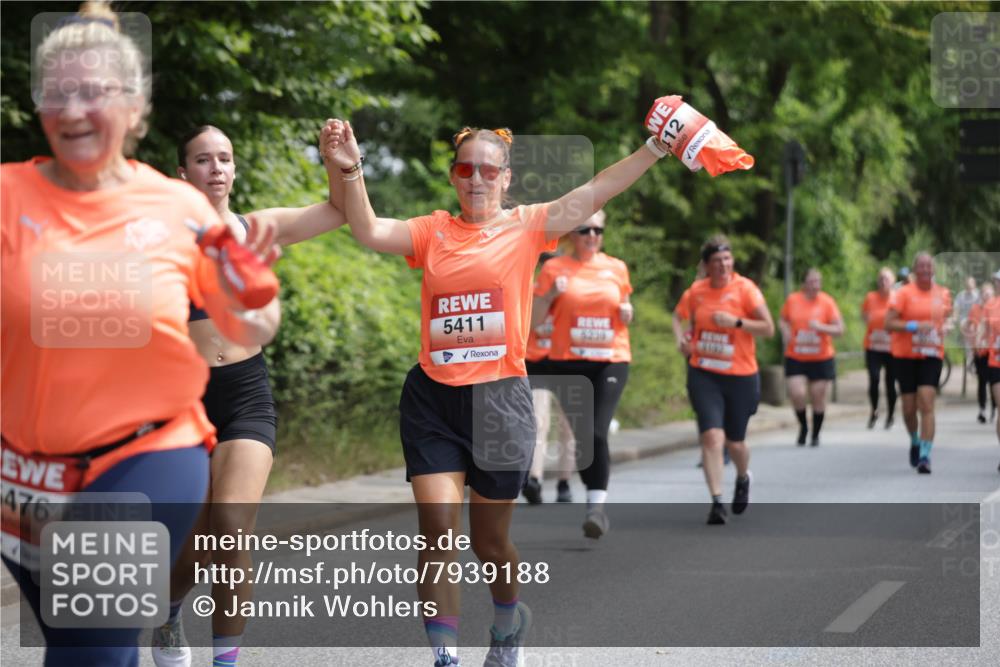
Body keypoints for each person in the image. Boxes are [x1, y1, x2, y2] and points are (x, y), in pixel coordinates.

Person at [322, 117, 672, 666]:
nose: (477, 179)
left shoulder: (529, 226)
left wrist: (655, 146)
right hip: (433, 399)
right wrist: (348, 167)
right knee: (438, 532)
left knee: (489, 544)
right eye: (466, 169)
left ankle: (508, 622)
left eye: (489, 170)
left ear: (506, 178)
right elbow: (367, 229)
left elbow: (598, 189)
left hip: (499, 403)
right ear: (453, 176)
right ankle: (445, 657)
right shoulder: (432, 231)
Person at [0, 4, 281, 666]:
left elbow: (255, 321)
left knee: (94, 645)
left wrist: (247, 301)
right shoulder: (8, 197)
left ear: (135, 107)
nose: (74, 110)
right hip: (22, 477)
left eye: (94, 92)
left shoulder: (178, 209)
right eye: (59, 91)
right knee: (77, 642)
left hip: (145, 456)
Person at [152, 125, 345, 667]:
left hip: (245, 395)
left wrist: (340, 161)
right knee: (194, 546)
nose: (216, 167)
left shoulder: (253, 229)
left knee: (232, 530)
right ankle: (168, 613)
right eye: (203, 159)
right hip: (183, 404)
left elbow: (337, 210)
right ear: (182, 173)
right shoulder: (160, 238)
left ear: (234, 170)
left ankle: (226, 661)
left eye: (225, 158)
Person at [531, 210, 633, 537]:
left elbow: (625, 308)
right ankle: (589, 489)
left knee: (597, 432)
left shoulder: (617, 268)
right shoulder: (553, 268)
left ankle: (596, 508)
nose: (592, 236)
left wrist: (628, 312)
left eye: (597, 231)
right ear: (572, 234)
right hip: (567, 364)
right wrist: (550, 296)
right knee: (583, 437)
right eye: (585, 230)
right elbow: (533, 322)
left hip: (610, 361)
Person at [672, 236, 775, 525]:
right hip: (704, 372)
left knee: (735, 442)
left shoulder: (746, 289)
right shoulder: (697, 291)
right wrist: (681, 341)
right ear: (706, 265)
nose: (723, 265)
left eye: (727, 259)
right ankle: (717, 501)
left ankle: (743, 477)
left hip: (741, 375)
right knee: (711, 436)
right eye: (717, 261)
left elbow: (768, 328)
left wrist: (737, 323)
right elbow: (678, 318)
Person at [885, 253, 953, 474]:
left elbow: (948, 318)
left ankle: (925, 455)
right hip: (905, 356)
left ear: (934, 269)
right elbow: (888, 323)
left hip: (931, 355)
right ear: (915, 270)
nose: (925, 269)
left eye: (928, 266)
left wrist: (947, 326)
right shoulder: (903, 293)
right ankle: (915, 440)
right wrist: (914, 326)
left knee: (926, 402)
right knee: (908, 408)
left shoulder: (943, 294)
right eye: (921, 266)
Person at [522, 253, 577, 505]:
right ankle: (535, 479)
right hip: (537, 361)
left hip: (565, 361)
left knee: (568, 424)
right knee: (538, 419)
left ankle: (564, 482)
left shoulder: (573, 294)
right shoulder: (529, 292)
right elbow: (525, 326)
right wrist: (549, 295)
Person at [780, 268, 844, 447]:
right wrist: (785, 331)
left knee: (818, 396)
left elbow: (840, 330)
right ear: (804, 283)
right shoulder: (793, 300)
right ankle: (803, 426)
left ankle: (815, 433)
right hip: (796, 355)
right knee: (796, 393)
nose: (815, 285)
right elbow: (783, 320)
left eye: (818, 281)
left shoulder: (827, 302)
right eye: (812, 281)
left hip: (821, 357)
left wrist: (821, 328)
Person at [861, 268, 897, 430]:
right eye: (881, 279)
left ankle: (890, 414)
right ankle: (874, 411)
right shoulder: (870, 297)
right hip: (873, 346)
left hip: (892, 348)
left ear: (893, 281)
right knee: (874, 379)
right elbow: (864, 315)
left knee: (890, 382)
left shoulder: (897, 298)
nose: (883, 282)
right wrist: (867, 319)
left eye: (886, 279)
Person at [966, 281, 997, 424]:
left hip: (994, 352)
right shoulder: (975, 309)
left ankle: (995, 408)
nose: (986, 296)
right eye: (984, 293)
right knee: (982, 381)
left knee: (994, 382)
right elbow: (971, 327)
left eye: (989, 294)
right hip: (980, 352)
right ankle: (982, 409)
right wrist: (973, 344)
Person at [979, 271, 1000, 472]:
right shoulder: (990, 305)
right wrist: (980, 341)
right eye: (997, 281)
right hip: (996, 362)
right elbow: (983, 330)